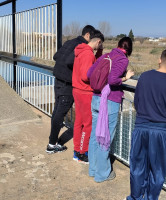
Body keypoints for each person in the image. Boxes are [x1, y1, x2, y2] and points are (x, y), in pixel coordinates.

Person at [126, 48, 166, 200]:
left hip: (141, 127)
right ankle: (150, 198)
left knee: (138, 167)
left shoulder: (144, 76)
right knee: (157, 170)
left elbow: (137, 101)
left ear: (159, 59)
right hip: (160, 130)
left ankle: (136, 197)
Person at [46, 25, 102, 154]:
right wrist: (78, 65)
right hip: (68, 84)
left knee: (56, 112)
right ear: (88, 35)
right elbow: (68, 61)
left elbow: (56, 56)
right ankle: (51, 145)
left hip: (58, 80)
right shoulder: (82, 46)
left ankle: (52, 141)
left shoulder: (70, 42)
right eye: (91, 37)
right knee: (60, 113)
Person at [87, 37, 134, 182]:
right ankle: (103, 174)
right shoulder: (122, 59)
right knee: (105, 137)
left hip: (96, 98)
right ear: (129, 50)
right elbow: (113, 80)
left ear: (117, 45)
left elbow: (89, 74)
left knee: (95, 135)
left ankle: (93, 169)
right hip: (108, 102)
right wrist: (126, 78)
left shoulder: (105, 56)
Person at [72, 30, 104, 164]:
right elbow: (86, 75)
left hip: (77, 90)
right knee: (88, 124)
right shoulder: (87, 54)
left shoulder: (82, 51)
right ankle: (83, 152)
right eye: (100, 45)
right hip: (85, 92)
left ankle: (77, 151)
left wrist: (99, 53)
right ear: (98, 42)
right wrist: (97, 77)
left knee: (79, 121)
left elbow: (92, 63)